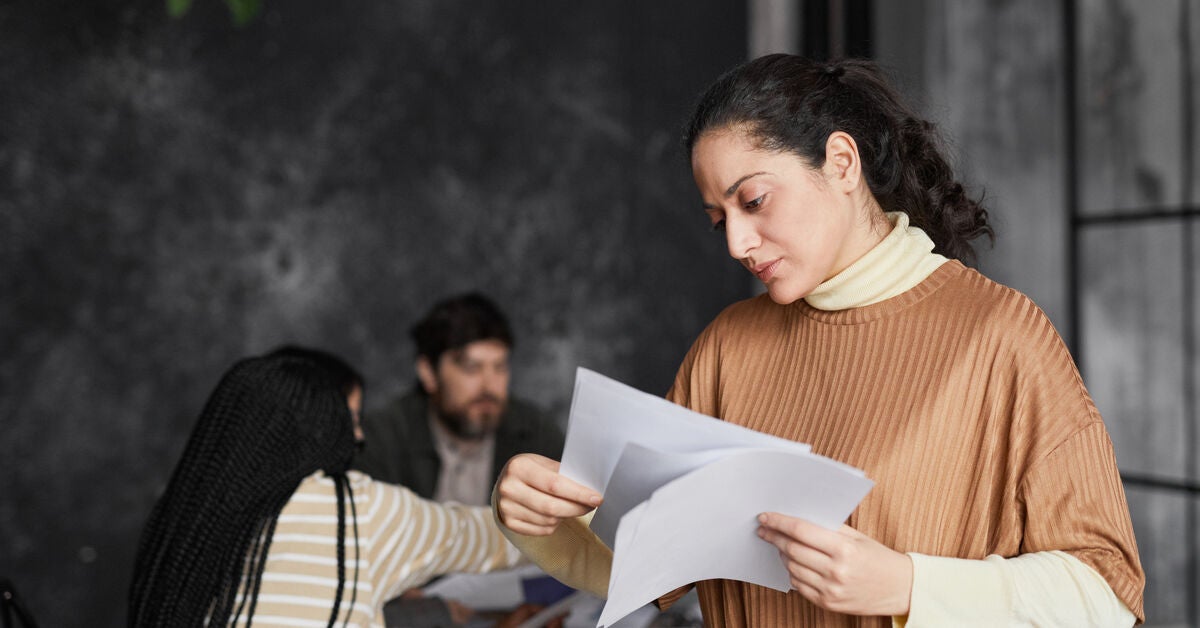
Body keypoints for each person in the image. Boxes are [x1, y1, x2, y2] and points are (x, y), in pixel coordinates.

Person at [492, 54, 1145, 627]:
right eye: (719, 219)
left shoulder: (1001, 337)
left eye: (753, 201)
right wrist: (543, 516)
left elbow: (1107, 600)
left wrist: (908, 586)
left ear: (841, 162)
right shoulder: (728, 346)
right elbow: (648, 566)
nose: (736, 244)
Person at [127, 347, 523, 627]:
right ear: (326, 427)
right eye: (347, 420)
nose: (358, 437)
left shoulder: (190, 517)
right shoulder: (355, 509)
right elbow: (489, 538)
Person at [355, 292, 565, 506]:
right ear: (428, 372)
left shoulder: (537, 436)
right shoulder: (383, 438)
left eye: (499, 367)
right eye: (471, 368)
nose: (489, 385)